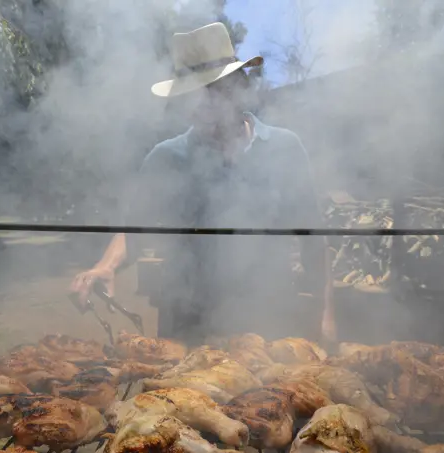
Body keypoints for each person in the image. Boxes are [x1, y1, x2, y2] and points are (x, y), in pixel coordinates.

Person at [70, 22, 336, 346]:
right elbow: (134, 230)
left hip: (268, 325)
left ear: (239, 86)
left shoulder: (285, 147)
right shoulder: (165, 158)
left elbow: (313, 238)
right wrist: (104, 266)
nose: (205, 105)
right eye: (195, 95)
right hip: (185, 328)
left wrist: (325, 315)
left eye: (216, 91)